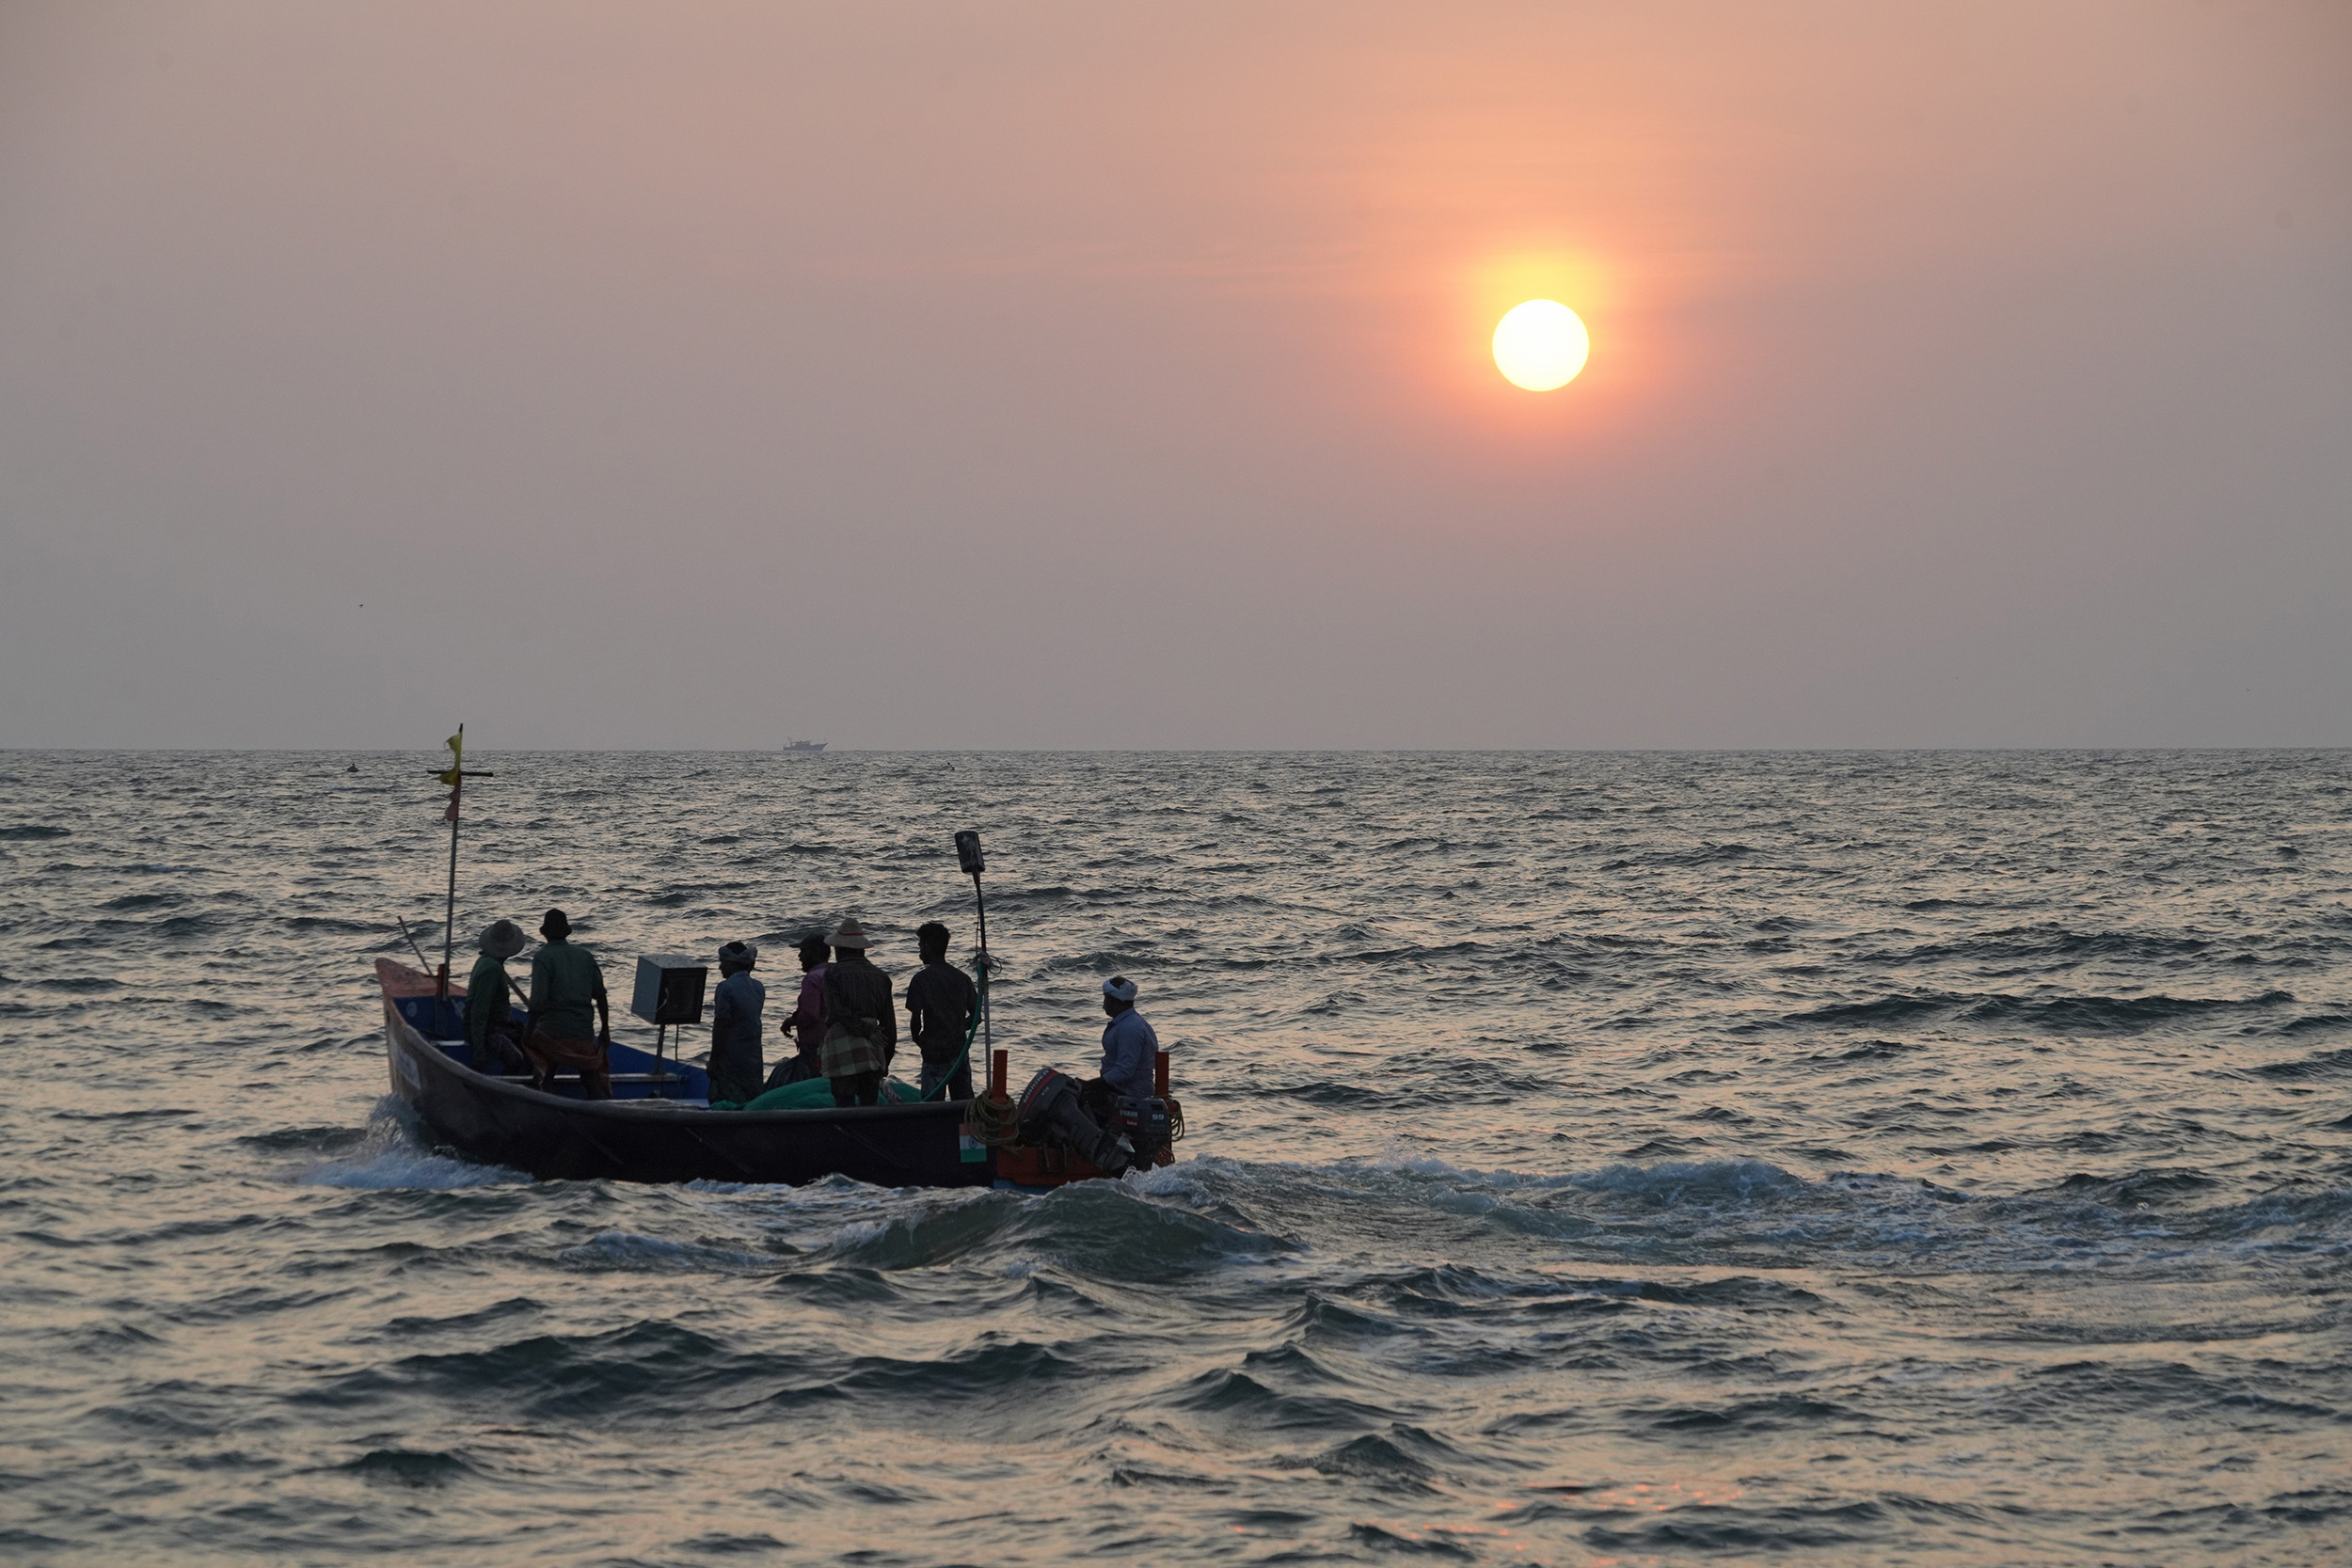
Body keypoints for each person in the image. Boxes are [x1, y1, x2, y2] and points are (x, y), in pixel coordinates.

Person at [523, 908, 612, 1098]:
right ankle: (599, 1105)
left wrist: (527, 1034)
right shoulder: (585, 956)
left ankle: (543, 1093)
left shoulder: (542, 957)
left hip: (554, 1032)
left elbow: (537, 1003)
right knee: (590, 1080)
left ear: (544, 933)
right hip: (583, 1031)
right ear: (567, 932)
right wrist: (605, 1029)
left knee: (541, 1057)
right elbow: (601, 996)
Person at [819, 917, 896, 1107]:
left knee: (844, 1105)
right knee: (869, 1104)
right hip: (872, 1049)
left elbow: (839, 1012)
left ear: (838, 949)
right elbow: (889, 1024)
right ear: (861, 950)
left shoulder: (833, 974)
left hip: (843, 1044)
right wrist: (886, 1057)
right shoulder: (881, 977)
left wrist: (865, 1030)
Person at [904, 921, 978, 1101]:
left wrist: (918, 1039)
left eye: (921, 946)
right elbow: (976, 1016)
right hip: (959, 1052)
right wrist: (958, 1029)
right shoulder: (962, 978)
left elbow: (916, 1020)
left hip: (933, 1053)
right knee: (963, 1102)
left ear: (928, 947)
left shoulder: (921, 979)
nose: (920, 951)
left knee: (931, 1104)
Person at [463, 919, 530, 1074]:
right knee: (515, 1060)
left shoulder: (485, 961)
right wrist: (479, 1049)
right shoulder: (492, 970)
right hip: (489, 1029)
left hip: (496, 1024)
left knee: (531, 1041)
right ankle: (507, 1091)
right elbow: (480, 1010)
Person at [764, 933, 830, 1088]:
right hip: (832, 1042)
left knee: (809, 1084)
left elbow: (809, 1015)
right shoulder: (833, 972)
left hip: (814, 1046)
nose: (799, 956)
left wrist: (790, 1021)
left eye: (803, 952)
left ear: (815, 953)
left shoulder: (812, 978)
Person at [707, 940, 765, 1104]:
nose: (720, 968)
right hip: (753, 1056)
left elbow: (721, 1026)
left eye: (722, 963)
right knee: (751, 1099)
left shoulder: (725, 988)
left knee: (726, 1100)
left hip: (731, 1057)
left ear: (731, 964)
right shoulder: (758, 987)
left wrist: (713, 1061)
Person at [1098, 975, 1158, 1102]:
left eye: (1106, 998)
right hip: (1118, 1090)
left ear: (1112, 1001)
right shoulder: (1128, 1023)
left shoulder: (1130, 1028)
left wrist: (1095, 1084)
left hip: (1130, 1095)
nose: (1104, 1004)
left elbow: (1124, 1071)